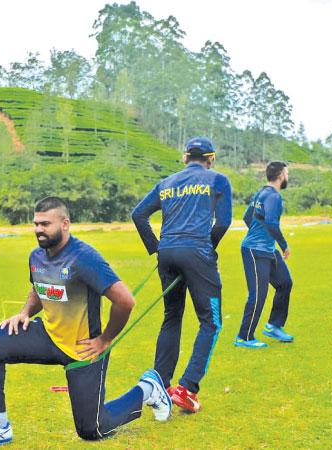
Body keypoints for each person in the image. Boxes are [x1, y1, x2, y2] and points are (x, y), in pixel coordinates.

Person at [0, 197, 172, 448]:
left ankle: (148, 389)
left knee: (92, 429)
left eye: (45, 224)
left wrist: (104, 340)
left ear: (65, 223)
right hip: (48, 336)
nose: (38, 229)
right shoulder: (36, 256)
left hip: (83, 348)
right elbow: (39, 288)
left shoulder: (84, 257)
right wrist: (25, 312)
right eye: (36, 223)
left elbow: (125, 301)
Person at [131, 136, 231, 414]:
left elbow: (138, 214)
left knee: (172, 317)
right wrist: (207, 248)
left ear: (185, 157)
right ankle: (187, 388)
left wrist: (157, 248)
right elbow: (223, 222)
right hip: (197, 252)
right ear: (211, 159)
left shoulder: (166, 183)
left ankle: (161, 384)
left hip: (168, 253)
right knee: (211, 322)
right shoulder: (217, 179)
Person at [235, 161, 294, 349]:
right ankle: (244, 337)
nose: (287, 176)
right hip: (255, 250)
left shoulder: (261, 193)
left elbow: (247, 217)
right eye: (287, 173)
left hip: (267, 249)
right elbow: (271, 223)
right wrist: (284, 245)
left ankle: (274, 325)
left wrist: (260, 234)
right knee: (258, 294)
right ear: (280, 175)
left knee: (285, 283)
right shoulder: (273, 196)